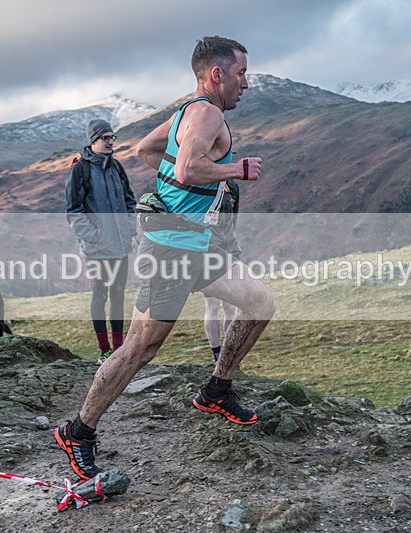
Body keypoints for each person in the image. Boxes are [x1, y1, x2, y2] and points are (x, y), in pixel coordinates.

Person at [55, 36, 276, 481]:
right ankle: (77, 430)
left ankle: (217, 388)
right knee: (141, 347)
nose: (245, 84)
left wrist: (179, 194)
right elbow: (187, 169)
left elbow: (146, 152)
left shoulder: (184, 113)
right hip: (173, 247)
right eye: (241, 74)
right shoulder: (207, 112)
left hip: (200, 244)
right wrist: (237, 170)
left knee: (259, 304)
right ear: (217, 74)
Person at [65, 119, 137, 364]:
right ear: (92, 140)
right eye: (105, 137)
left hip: (120, 245)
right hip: (97, 248)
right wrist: (93, 237)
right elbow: (73, 210)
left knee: (118, 295)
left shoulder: (116, 167)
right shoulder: (80, 170)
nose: (110, 142)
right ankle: (103, 349)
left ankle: (118, 349)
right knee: (100, 295)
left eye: (112, 137)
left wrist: (130, 227)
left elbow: (129, 201)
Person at [203, 179, 241, 362]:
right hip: (209, 250)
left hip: (230, 249)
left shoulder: (232, 186)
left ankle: (228, 354)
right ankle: (217, 354)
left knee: (230, 305)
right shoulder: (201, 184)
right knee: (212, 305)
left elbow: (234, 219)